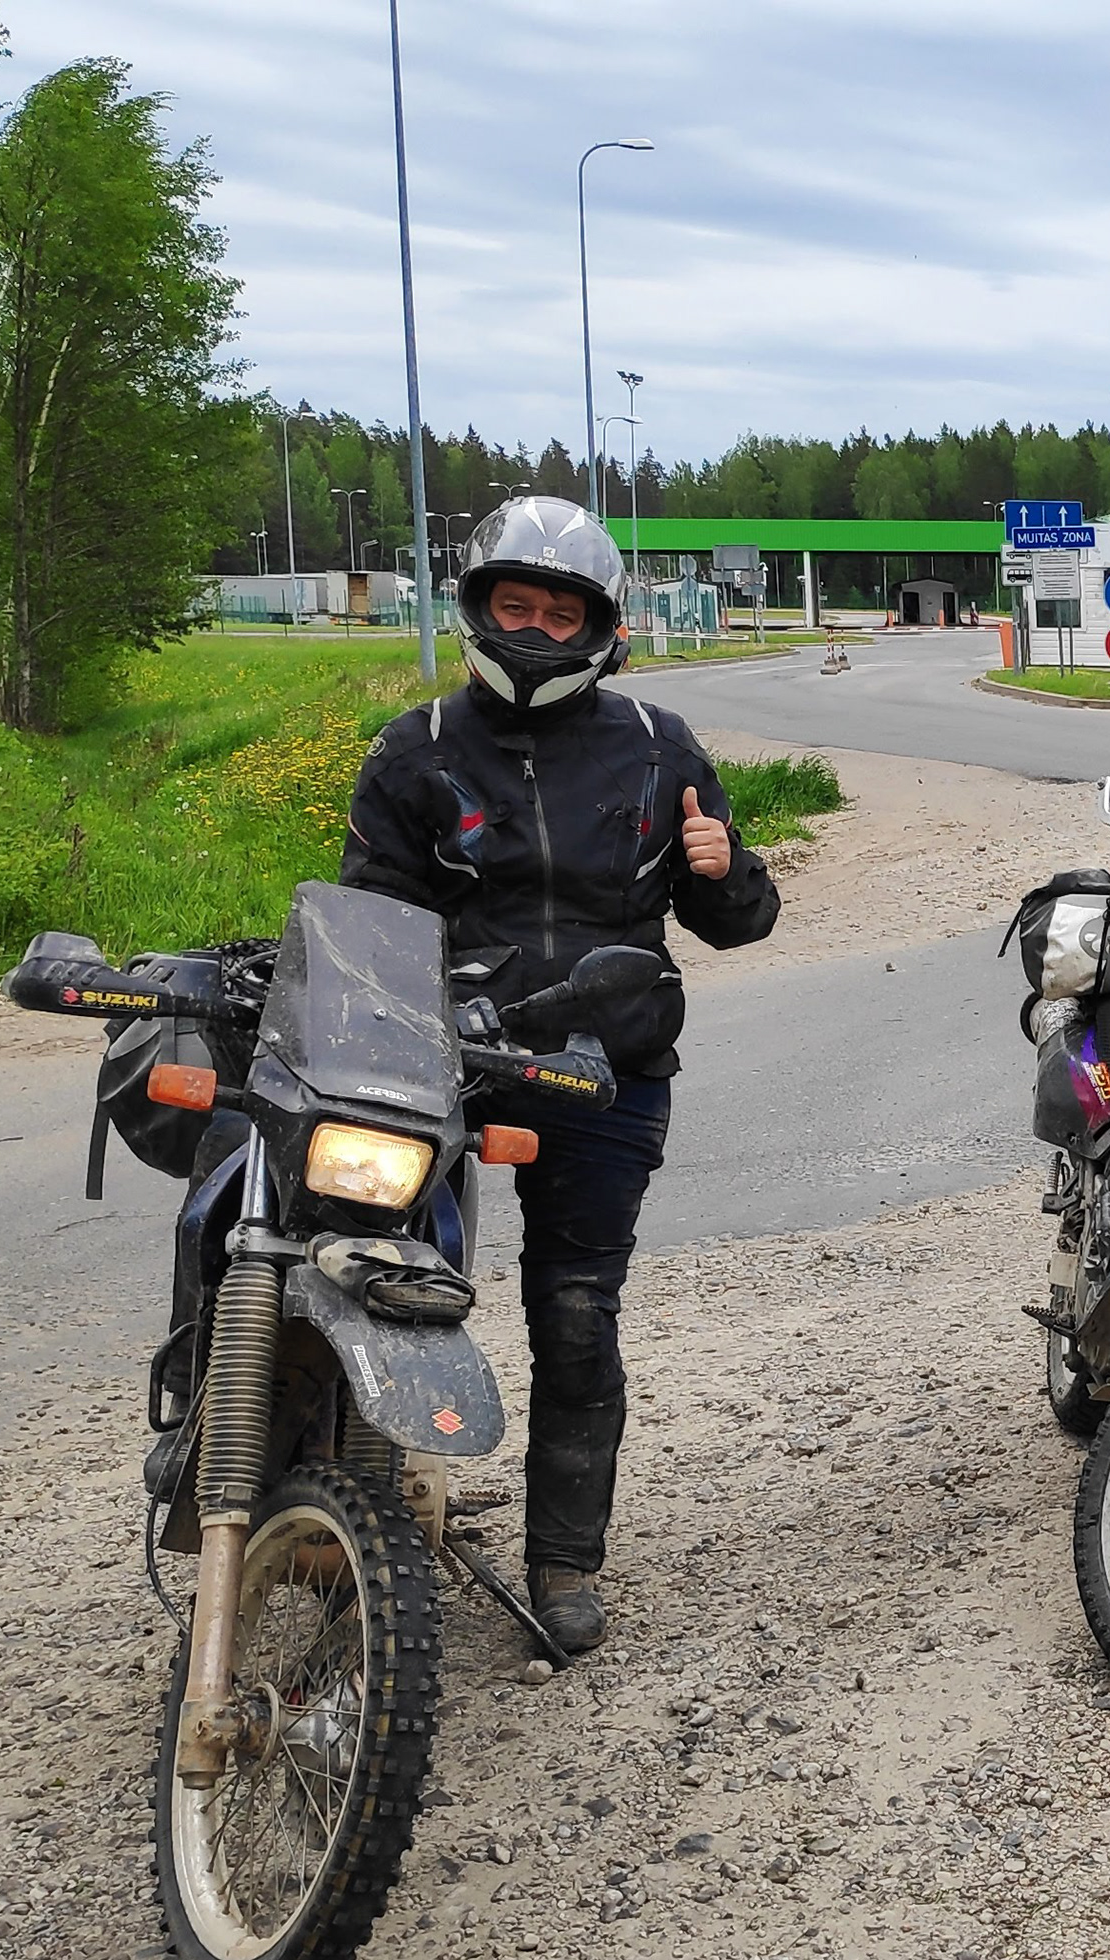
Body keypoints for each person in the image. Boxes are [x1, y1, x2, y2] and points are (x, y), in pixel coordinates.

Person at [340, 496, 779, 1653]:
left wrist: (726, 869)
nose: (535, 629)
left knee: (576, 1314)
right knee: (368, 1276)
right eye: (516, 604)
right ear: (478, 607)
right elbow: (365, 920)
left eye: (560, 611)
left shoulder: (659, 746)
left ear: (600, 625)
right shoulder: (416, 749)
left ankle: (565, 1559)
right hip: (442, 1060)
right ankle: (345, 1523)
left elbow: (739, 922)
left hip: (604, 1063)